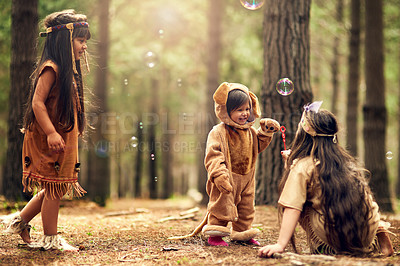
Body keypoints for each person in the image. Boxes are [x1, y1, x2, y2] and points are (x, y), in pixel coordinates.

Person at [0, 10, 90, 251]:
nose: (84, 47)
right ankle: (50, 239)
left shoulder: (67, 71)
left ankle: (20, 222)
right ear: (64, 41)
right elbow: (37, 103)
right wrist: (51, 132)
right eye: (80, 40)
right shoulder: (51, 68)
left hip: (60, 136)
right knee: (53, 187)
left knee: (54, 185)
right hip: (46, 136)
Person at [258, 101, 394, 257]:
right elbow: (368, 203)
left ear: (304, 134)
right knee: (359, 198)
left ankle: (326, 248)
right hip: (365, 235)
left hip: (335, 240)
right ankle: (382, 237)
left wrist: (280, 245)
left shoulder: (302, 166)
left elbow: (292, 206)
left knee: (299, 198)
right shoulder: (345, 162)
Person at [168, 82, 280, 246]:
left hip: (247, 178)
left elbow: (257, 147)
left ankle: (242, 232)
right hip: (225, 176)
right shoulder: (219, 131)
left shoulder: (249, 131)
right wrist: (219, 174)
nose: (244, 114)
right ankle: (215, 234)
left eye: (247, 109)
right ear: (226, 111)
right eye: (239, 110)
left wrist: (265, 133)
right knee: (221, 205)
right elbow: (213, 155)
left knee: (247, 207)